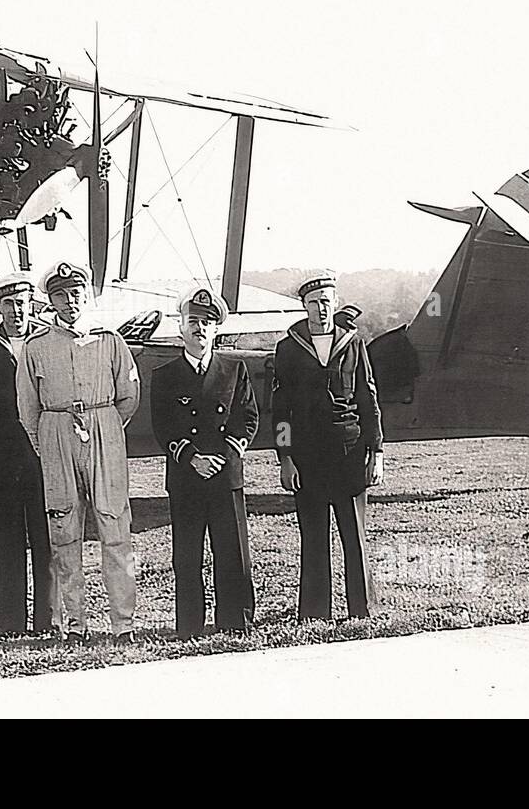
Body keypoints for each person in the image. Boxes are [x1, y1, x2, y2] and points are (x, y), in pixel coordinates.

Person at [16, 260, 141, 645]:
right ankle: (76, 623)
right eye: (60, 295)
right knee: (64, 529)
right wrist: (48, 444)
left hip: (103, 425)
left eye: (75, 293)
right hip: (55, 431)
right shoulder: (35, 347)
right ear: (50, 301)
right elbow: (27, 406)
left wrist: (105, 429)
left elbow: (129, 394)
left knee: (114, 525)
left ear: (86, 295)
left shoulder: (109, 340)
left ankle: (124, 623)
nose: (69, 302)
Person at [271, 271, 383, 621]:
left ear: (335, 304)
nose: (321, 309)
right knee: (314, 537)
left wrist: (376, 451)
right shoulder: (288, 348)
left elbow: (368, 399)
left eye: (326, 302)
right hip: (307, 456)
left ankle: (363, 610)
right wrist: (285, 457)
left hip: (349, 452)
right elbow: (281, 412)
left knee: (354, 534)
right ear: (303, 306)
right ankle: (315, 613)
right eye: (313, 303)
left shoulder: (353, 343)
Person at [151, 286, 259, 639]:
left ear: (216, 329)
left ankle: (235, 621)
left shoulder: (234, 369)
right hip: (186, 475)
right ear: (180, 326)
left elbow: (248, 417)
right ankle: (190, 625)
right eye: (193, 321)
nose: (200, 328)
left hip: (226, 474)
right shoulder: (165, 375)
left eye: (207, 322)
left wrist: (225, 454)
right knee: (187, 555)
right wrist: (193, 458)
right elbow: (162, 426)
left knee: (232, 550)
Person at [0, 272, 54, 637]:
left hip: (45, 461)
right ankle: (10, 623)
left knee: (46, 542)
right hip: (2, 465)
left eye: (22, 303)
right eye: (9, 305)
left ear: (31, 305)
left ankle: (49, 619)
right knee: (9, 542)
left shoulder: (46, 344)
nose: (17, 311)